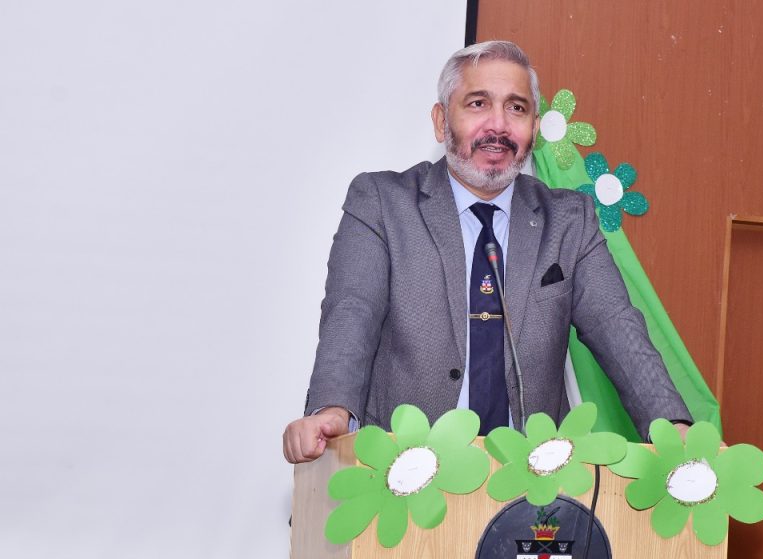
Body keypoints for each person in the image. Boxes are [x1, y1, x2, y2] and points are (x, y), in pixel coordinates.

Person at [283, 40, 691, 464]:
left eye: (516, 108)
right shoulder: (382, 202)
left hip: (532, 480)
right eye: (478, 103)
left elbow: (616, 325)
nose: (498, 125)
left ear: (534, 127)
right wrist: (332, 409)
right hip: (400, 471)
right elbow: (353, 311)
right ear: (441, 120)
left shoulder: (570, 220)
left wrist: (674, 427)